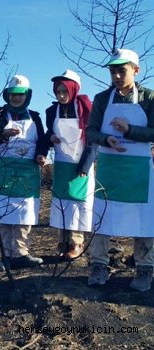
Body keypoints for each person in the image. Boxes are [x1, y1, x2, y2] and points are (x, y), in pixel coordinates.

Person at [85, 49, 154, 292]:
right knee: (102, 217)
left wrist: (129, 130)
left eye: (121, 70)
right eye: (112, 70)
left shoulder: (149, 98)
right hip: (110, 168)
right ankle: (99, 265)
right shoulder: (103, 99)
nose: (115, 75)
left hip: (139, 171)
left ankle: (145, 268)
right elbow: (90, 131)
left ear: (136, 70)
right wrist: (106, 139)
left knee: (145, 220)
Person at [0, 75, 48, 269]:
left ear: (27, 96)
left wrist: (41, 155)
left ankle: (21, 253)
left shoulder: (34, 116)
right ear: (7, 95)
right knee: (3, 214)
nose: (16, 98)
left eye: (20, 95)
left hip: (28, 170)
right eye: (13, 94)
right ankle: (5, 256)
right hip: (4, 170)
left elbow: (42, 141)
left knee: (24, 214)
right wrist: (2, 134)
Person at [44, 70, 96, 260]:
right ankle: (62, 242)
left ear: (74, 89)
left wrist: (84, 166)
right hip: (61, 163)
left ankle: (77, 242)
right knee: (60, 202)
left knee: (77, 203)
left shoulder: (84, 107)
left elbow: (93, 140)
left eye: (65, 91)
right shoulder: (52, 111)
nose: (61, 95)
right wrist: (50, 137)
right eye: (58, 92)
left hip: (80, 165)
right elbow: (48, 133)